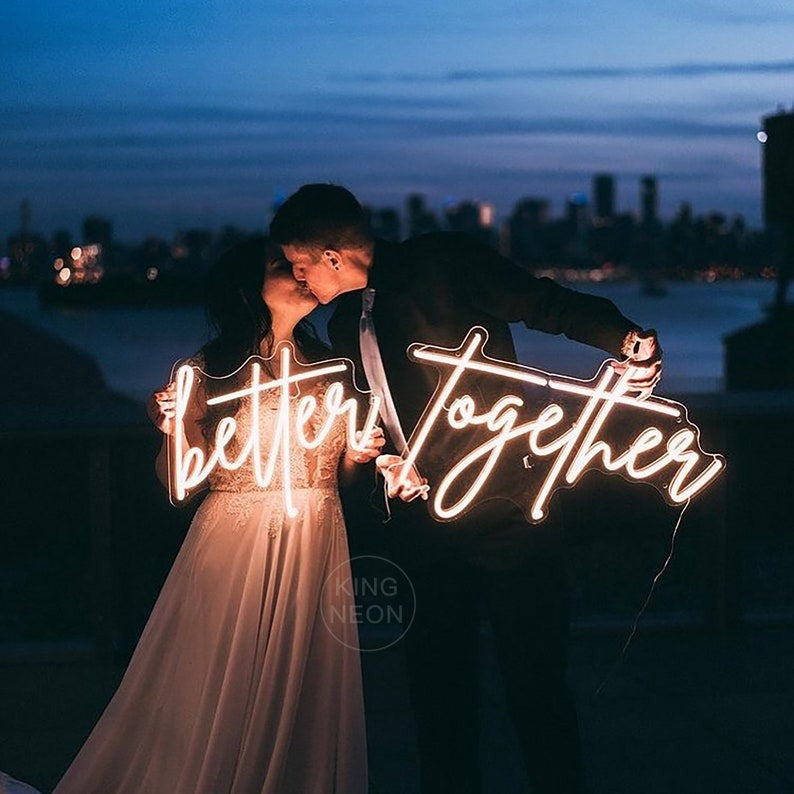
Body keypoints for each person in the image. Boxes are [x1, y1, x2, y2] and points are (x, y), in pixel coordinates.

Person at [270, 185, 662, 794]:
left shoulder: (443, 260)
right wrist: (379, 463)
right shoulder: (347, 321)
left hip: (509, 512)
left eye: (300, 267)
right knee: (439, 701)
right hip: (424, 531)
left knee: (536, 690)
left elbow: (544, 305)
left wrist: (625, 338)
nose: (301, 281)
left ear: (331, 255)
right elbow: (367, 419)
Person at [42, 236, 381, 793]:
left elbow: (339, 477)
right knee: (224, 679)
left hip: (318, 533)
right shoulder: (205, 374)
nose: (299, 274)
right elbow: (178, 478)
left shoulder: (334, 371)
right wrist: (175, 429)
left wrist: (355, 455)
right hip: (235, 540)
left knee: (304, 687)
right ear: (249, 290)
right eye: (282, 266)